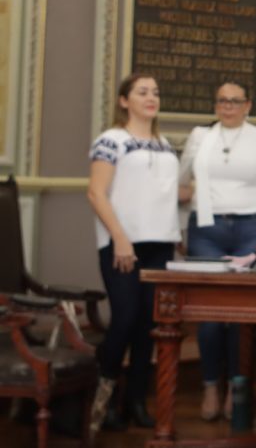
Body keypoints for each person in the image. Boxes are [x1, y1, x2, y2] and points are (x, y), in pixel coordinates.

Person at [86, 73, 181, 435]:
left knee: (148, 328)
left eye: (156, 92)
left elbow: (167, 195)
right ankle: (105, 399)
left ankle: (137, 402)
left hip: (161, 245)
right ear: (125, 101)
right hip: (123, 245)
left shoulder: (164, 144)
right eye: (142, 92)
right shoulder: (112, 140)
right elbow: (96, 193)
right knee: (124, 320)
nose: (151, 97)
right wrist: (121, 239)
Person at [179, 81, 256, 420]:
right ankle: (210, 385)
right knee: (209, 315)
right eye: (222, 101)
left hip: (250, 230)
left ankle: (237, 386)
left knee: (240, 314)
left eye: (235, 101)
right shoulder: (200, 136)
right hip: (207, 229)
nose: (228, 107)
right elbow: (181, 181)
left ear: (248, 104)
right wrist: (178, 228)